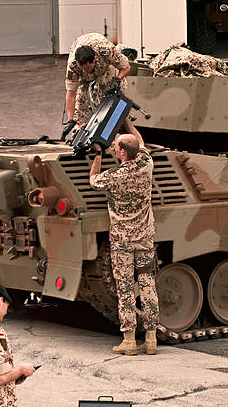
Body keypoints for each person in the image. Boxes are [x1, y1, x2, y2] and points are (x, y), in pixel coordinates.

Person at [89, 117, 160, 355]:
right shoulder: (145, 163)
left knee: (126, 288)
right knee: (148, 285)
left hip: (121, 242)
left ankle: (129, 340)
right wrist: (127, 120)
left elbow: (93, 180)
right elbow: (139, 142)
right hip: (145, 238)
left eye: (117, 147)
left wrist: (98, 155)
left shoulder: (115, 176)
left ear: (120, 153)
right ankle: (151, 339)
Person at [62, 33, 131, 140]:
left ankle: (116, 133)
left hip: (105, 69)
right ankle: (80, 137)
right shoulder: (73, 67)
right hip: (83, 64)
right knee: (80, 107)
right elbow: (71, 94)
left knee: (111, 101)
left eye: (88, 68)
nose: (85, 71)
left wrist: (117, 79)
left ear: (94, 59)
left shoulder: (106, 52)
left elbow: (126, 67)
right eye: (82, 68)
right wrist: (71, 119)